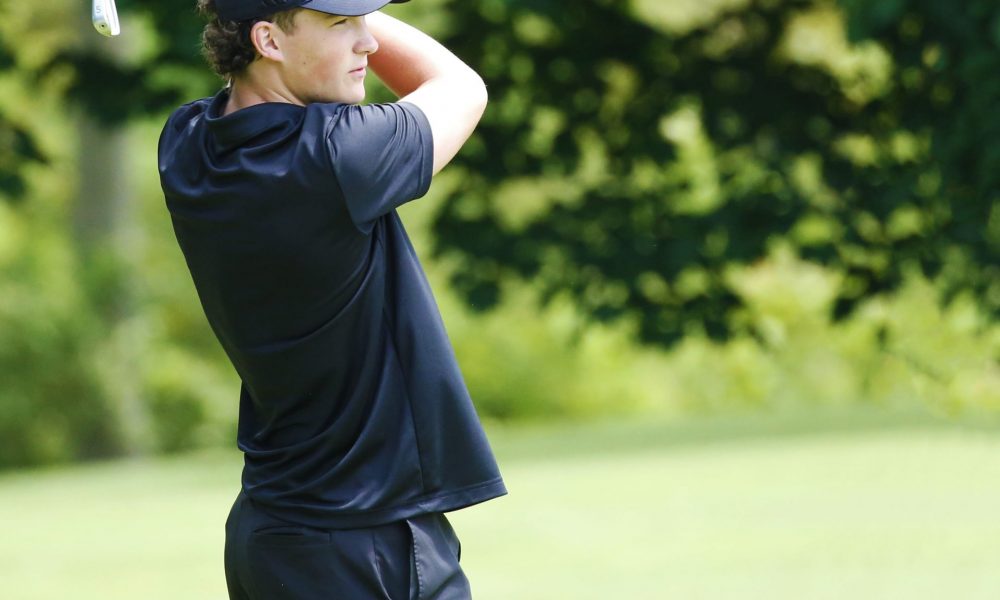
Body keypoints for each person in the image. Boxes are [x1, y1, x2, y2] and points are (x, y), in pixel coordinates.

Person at [157, 1, 507, 598]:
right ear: (268, 40)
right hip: (361, 542)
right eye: (342, 24)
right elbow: (460, 85)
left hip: (274, 533)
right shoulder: (339, 155)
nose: (367, 43)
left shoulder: (187, 145)